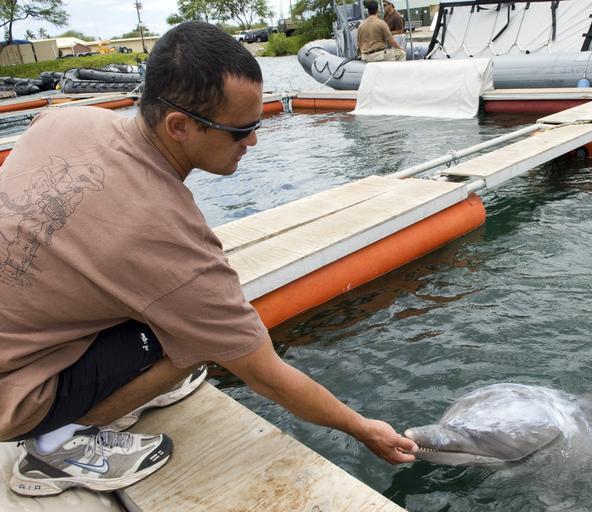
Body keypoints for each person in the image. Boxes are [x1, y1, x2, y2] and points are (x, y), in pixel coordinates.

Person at [0, 21, 417, 498]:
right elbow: (268, 376)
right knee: (200, 338)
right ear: (178, 126)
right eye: (241, 130)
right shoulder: (169, 240)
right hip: (16, 393)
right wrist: (364, 429)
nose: (253, 142)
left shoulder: (67, 120)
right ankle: (56, 445)